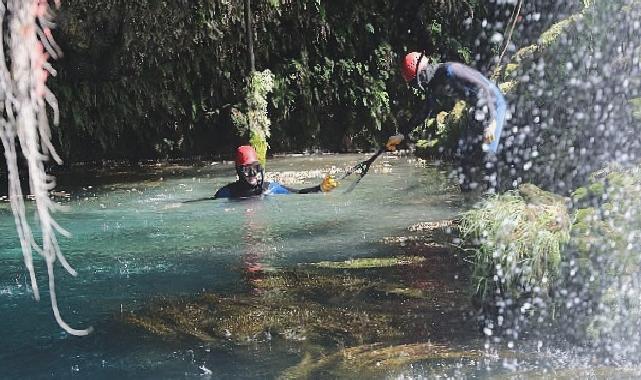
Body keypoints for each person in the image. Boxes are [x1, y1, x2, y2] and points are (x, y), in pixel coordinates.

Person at [399, 52, 507, 193]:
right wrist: (402, 134)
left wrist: (491, 123)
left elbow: (484, 88)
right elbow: (424, 111)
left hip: (495, 105)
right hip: (478, 110)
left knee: (488, 153)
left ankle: (493, 200)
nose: (416, 86)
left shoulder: (451, 70)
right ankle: (467, 201)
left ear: (422, 73)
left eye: (415, 82)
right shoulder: (434, 83)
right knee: (462, 156)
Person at [214, 145, 337, 199]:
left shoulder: (270, 188)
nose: (253, 174)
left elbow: (298, 193)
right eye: (247, 169)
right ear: (239, 171)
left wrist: (320, 188)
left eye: (256, 168)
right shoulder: (227, 193)